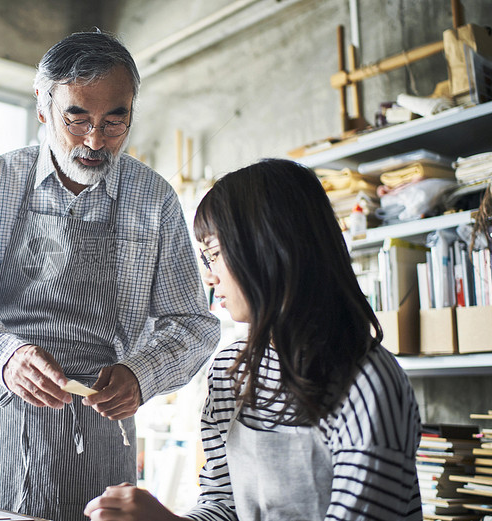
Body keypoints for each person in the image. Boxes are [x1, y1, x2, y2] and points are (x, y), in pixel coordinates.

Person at [0, 30, 219, 521]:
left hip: (105, 440)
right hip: (3, 431)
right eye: (76, 117)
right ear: (43, 106)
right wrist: (8, 356)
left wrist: (141, 375)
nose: (95, 140)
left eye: (114, 120)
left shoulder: (155, 200)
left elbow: (193, 322)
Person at [84, 159, 422, 521]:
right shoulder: (231, 374)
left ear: (269, 248)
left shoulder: (367, 384)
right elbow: (223, 505)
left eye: (214, 255)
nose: (210, 278)